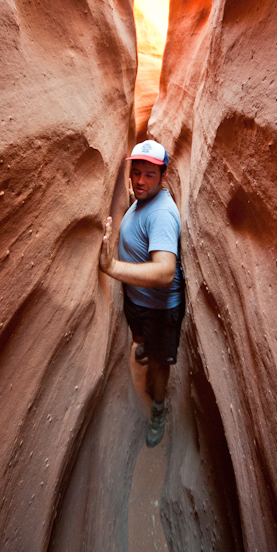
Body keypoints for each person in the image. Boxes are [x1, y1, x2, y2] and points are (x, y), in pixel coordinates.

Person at [99, 139, 185, 447]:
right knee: (141, 341)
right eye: (136, 172)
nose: (139, 181)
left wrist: (112, 267)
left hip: (160, 310)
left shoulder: (161, 213)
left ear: (164, 176)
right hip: (138, 300)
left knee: (160, 364)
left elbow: (164, 272)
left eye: (149, 174)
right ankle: (146, 345)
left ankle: (158, 411)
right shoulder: (143, 199)